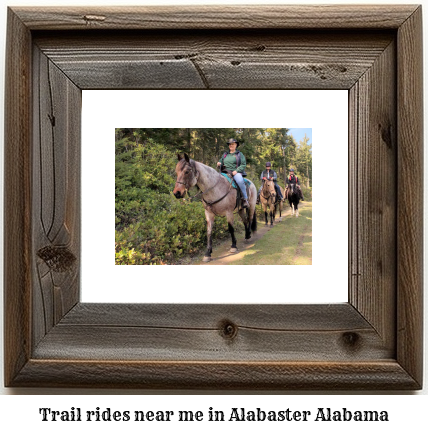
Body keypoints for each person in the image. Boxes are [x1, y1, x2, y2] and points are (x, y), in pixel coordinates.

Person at [217, 138, 249, 208]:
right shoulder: (225, 154)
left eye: (232, 144)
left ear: (236, 145)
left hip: (235, 172)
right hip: (225, 172)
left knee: (240, 181)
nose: (231, 145)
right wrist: (219, 163)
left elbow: (243, 164)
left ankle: (245, 199)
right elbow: (221, 161)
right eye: (230, 144)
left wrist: (236, 171)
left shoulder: (239, 154)